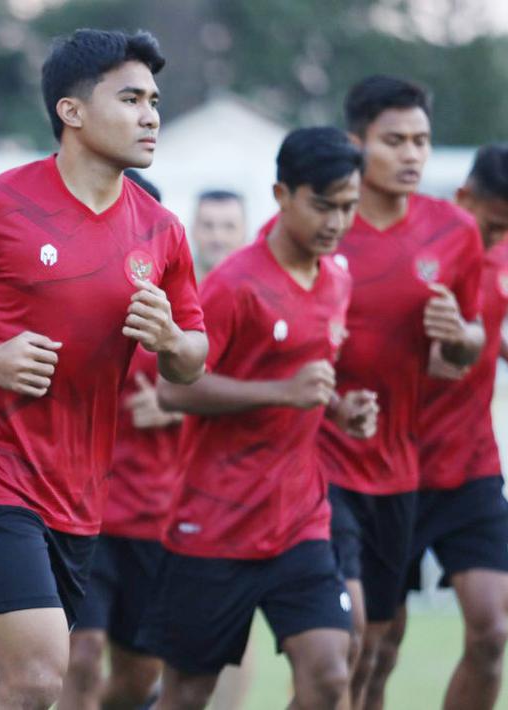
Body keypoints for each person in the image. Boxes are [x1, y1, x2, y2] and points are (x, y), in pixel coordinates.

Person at [0, 28, 207, 710]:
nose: (150, 115)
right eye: (131, 99)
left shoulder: (160, 230)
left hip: (80, 490)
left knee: (5, 685)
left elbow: (191, 361)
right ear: (72, 111)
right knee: (36, 677)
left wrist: (170, 339)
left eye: (153, 100)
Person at [138, 126, 374, 710]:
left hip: (299, 520)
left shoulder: (337, 279)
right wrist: (280, 392)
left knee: (328, 676)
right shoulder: (233, 286)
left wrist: (342, 409)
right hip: (214, 525)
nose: (337, 222)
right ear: (282, 194)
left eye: (348, 207)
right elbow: (173, 390)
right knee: (188, 694)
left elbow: (308, 386)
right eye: (323, 205)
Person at [319, 75, 484, 710]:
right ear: (356, 143)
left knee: (378, 649)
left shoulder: (453, 232)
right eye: (395, 141)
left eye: (422, 140)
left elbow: (460, 355)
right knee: (345, 639)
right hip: (321, 458)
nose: (412, 154)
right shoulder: (323, 226)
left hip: (397, 468)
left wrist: (461, 334)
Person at [370, 144, 508, 710]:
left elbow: (482, 320)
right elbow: (444, 355)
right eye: (492, 225)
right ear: (463, 198)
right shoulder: (414, 247)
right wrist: (461, 347)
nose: (497, 240)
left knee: (492, 632)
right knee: (379, 646)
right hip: (392, 467)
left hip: (470, 465)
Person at [59, 169, 178, 710]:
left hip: (154, 517)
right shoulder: (64, 307)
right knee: (77, 658)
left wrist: (176, 408)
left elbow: (225, 398)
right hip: (79, 510)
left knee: (137, 679)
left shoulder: (176, 322)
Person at [189, 190, 247, 279]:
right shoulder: (169, 286)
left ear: (244, 232)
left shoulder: (262, 289)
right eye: (208, 226)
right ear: (193, 230)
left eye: (229, 226)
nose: (218, 236)